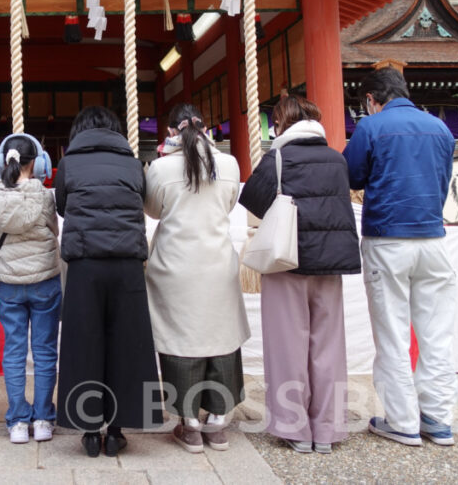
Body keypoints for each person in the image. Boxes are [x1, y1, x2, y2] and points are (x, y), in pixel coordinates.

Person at [238, 95, 360, 454]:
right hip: (331, 263)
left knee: (288, 346)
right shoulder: (337, 159)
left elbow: (253, 200)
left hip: (287, 261)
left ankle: (294, 428)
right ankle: (328, 429)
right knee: (329, 347)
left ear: (281, 123)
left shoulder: (278, 157)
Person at [342, 67, 456, 447]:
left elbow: (352, 176)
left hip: (388, 238)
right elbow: (443, 180)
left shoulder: (371, 127)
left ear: (371, 100)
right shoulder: (440, 129)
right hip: (433, 237)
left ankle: (403, 421)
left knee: (393, 334)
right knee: (436, 334)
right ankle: (438, 418)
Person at [54, 106, 160, 458]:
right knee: (127, 343)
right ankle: (116, 431)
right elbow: (140, 201)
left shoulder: (69, 162)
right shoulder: (133, 163)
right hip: (127, 262)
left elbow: (63, 207)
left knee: (84, 342)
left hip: (85, 262)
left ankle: (88, 430)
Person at [144, 104, 248, 454]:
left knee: (180, 340)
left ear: (171, 131)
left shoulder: (160, 168)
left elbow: (152, 210)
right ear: (206, 128)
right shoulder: (229, 164)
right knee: (221, 337)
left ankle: (189, 425)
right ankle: (217, 423)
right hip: (217, 263)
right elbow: (229, 203)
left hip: (175, 265)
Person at [0, 133, 61, 445]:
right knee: (44, 351)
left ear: (1, 161)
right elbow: (55, 230)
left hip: (9, 283)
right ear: (38, 164)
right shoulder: (44, 195)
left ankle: (17, 421)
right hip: (44, 281)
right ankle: (42, 419)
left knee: (14, 351)